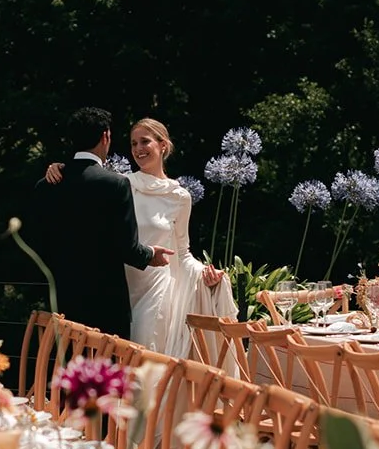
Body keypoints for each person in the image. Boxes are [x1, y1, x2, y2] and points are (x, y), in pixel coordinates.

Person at [45, 116, 237, 357]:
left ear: (163, 145)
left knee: (141, 358)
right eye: (133, 143)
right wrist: (60, 168)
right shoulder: (120, 185)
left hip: (156, 289)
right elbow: (85, 187)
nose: (138, 149)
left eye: (144, 142)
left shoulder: (180, 197)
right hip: (119, 288)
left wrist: (207, 276)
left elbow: (182, 253)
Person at [29, 106, 172, 339]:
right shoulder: (115, 184)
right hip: (106, 307)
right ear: (106, 136)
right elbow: (127, 248)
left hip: (61, 301)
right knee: (107, 371)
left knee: (70, 370)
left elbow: (37, 243)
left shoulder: (45, 186)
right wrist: (149, 254)